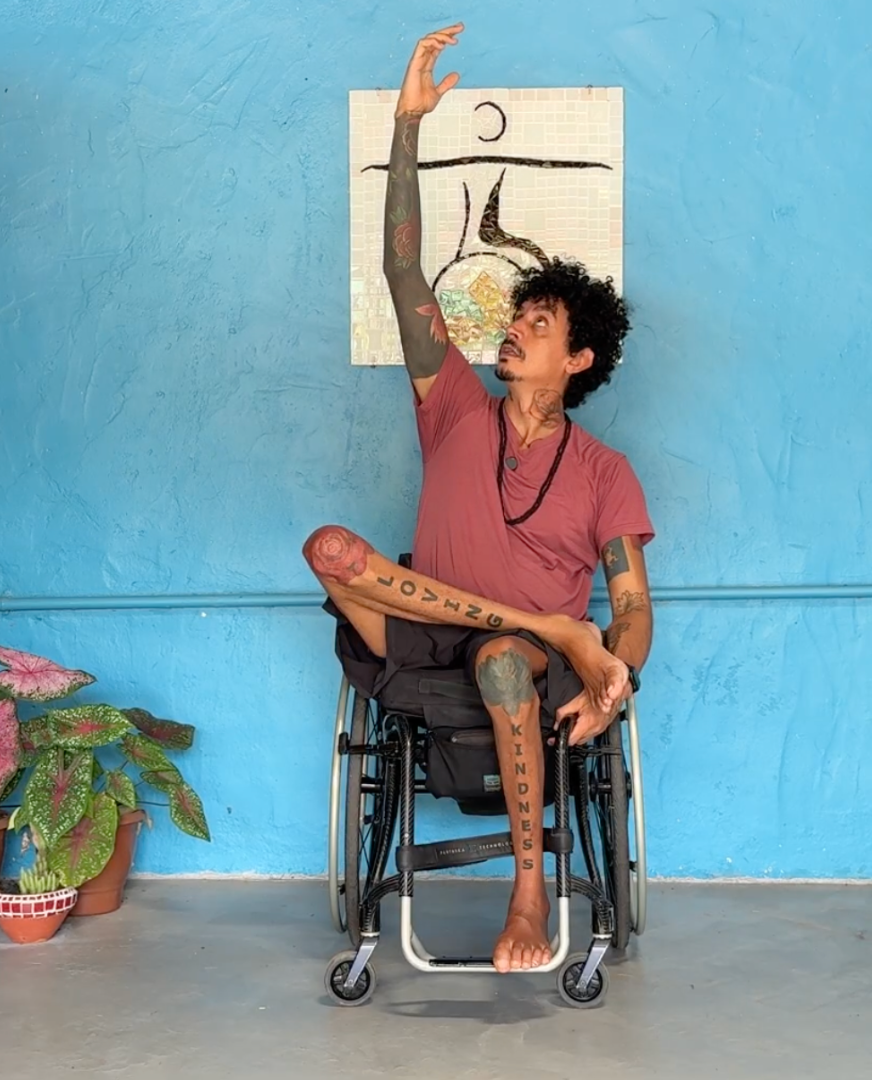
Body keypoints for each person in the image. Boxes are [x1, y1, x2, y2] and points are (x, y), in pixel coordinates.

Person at [303, 23, 655, 974]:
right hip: (418, 630)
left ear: (577, 361)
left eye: (536, 325)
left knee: (505, 656)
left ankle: (529, 898)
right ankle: (538, 621)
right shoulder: (454, 402)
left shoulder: (606, 472)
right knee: (332, 550)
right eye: (514, 319)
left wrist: (609, 680)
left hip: (518, 661)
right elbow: (404, 271)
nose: (513, 332)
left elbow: (629, 608)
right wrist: (408, 127)